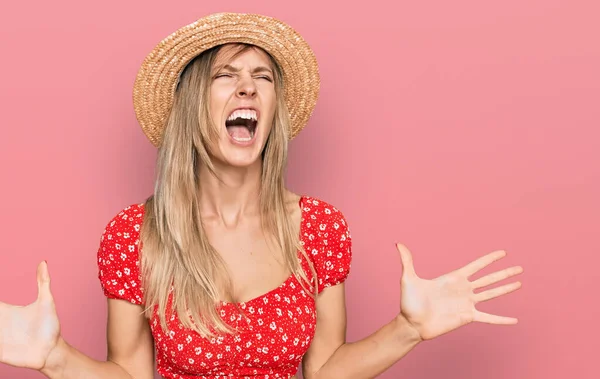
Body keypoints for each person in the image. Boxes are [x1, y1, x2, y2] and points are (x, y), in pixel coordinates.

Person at [0, 12, 523, 379]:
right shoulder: (135, 236)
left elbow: (325, 370)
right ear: (191, 108)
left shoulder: (318, 228)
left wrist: (408, 329)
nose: (247, 88)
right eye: (225, 76)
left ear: (273, 109)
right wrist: (55, 360)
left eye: (262, 77)